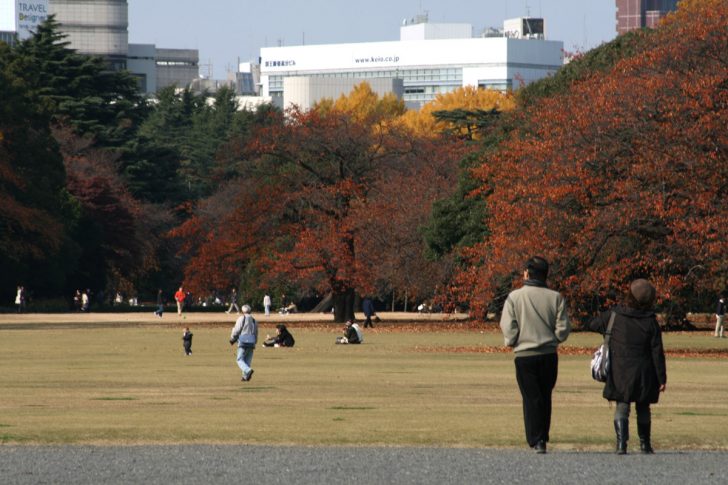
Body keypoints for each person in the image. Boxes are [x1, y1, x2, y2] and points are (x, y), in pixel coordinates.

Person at [499, 256, 571, 454]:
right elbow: (563, 328)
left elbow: (508, 325)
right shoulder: (555, 297)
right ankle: (542, 438)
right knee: (545, 396)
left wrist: (513, 340)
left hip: (525, 355)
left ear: (527, 273)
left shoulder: (515, 297)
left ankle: (535, 438)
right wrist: (555, 339)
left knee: (531, 398)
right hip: (548, 354)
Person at [587, 279, 667, 455]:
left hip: (620, 369)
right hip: (644, 371)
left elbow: (593, 324)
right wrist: (662, 378)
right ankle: (645, 445)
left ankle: (621, 444)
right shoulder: (651, 322)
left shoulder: (615, 315)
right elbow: (657, 353)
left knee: (622, 406)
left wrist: (609, 333)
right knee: (643, 407)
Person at [229, 304, 258, 382]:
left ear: (243, 311)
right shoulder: (254, 320)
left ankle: (248, 370)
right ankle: (245, 377)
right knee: (247, 360)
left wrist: (232, 338)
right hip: (252, 342)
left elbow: (237, 330)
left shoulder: (241, 318)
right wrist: (255, 342)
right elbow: (256, 333)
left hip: (243, 341)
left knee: (239, 359)